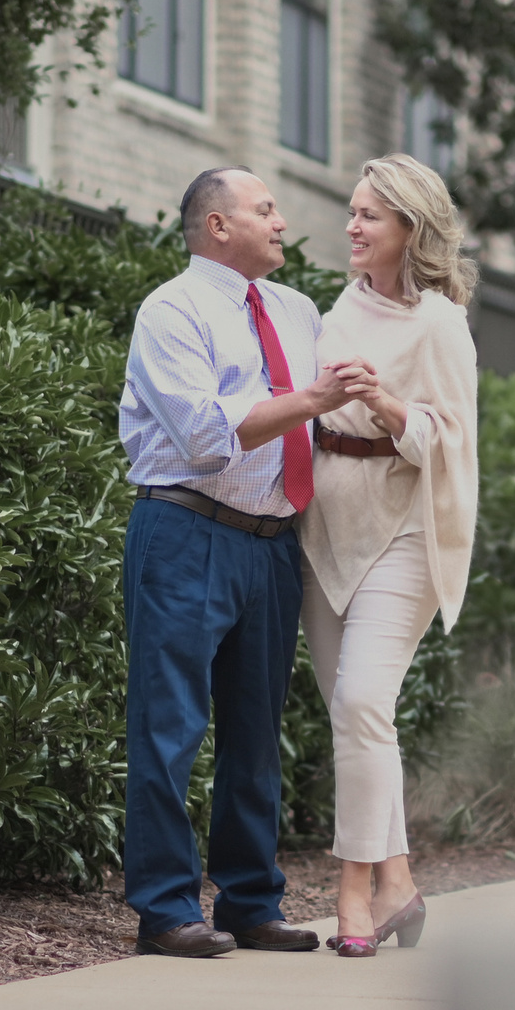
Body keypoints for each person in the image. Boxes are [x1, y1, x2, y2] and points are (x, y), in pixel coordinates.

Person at [118, 168, 377, 958]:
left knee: (256, 736)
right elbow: (203, 436)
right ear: (218, 226)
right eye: (265, 208)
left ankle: (249, 903)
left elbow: (330, 412)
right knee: (171, 728)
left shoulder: (299, 312)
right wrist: (314, 402)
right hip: (187, 531)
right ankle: (165, 911)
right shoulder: (172, 310)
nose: (282, 220)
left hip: (271, 546)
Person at [296, 155, 481, 958]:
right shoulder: (340, 304)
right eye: (352, 211)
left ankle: (353, 892)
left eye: (370, 214)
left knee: (364, 700)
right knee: (354, 715)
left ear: (411, 226)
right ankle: (400, 881)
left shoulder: (440, 322)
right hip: (325, 525)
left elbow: (450, 437)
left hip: (404, 525)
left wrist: (383, 402)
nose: (353, 226)